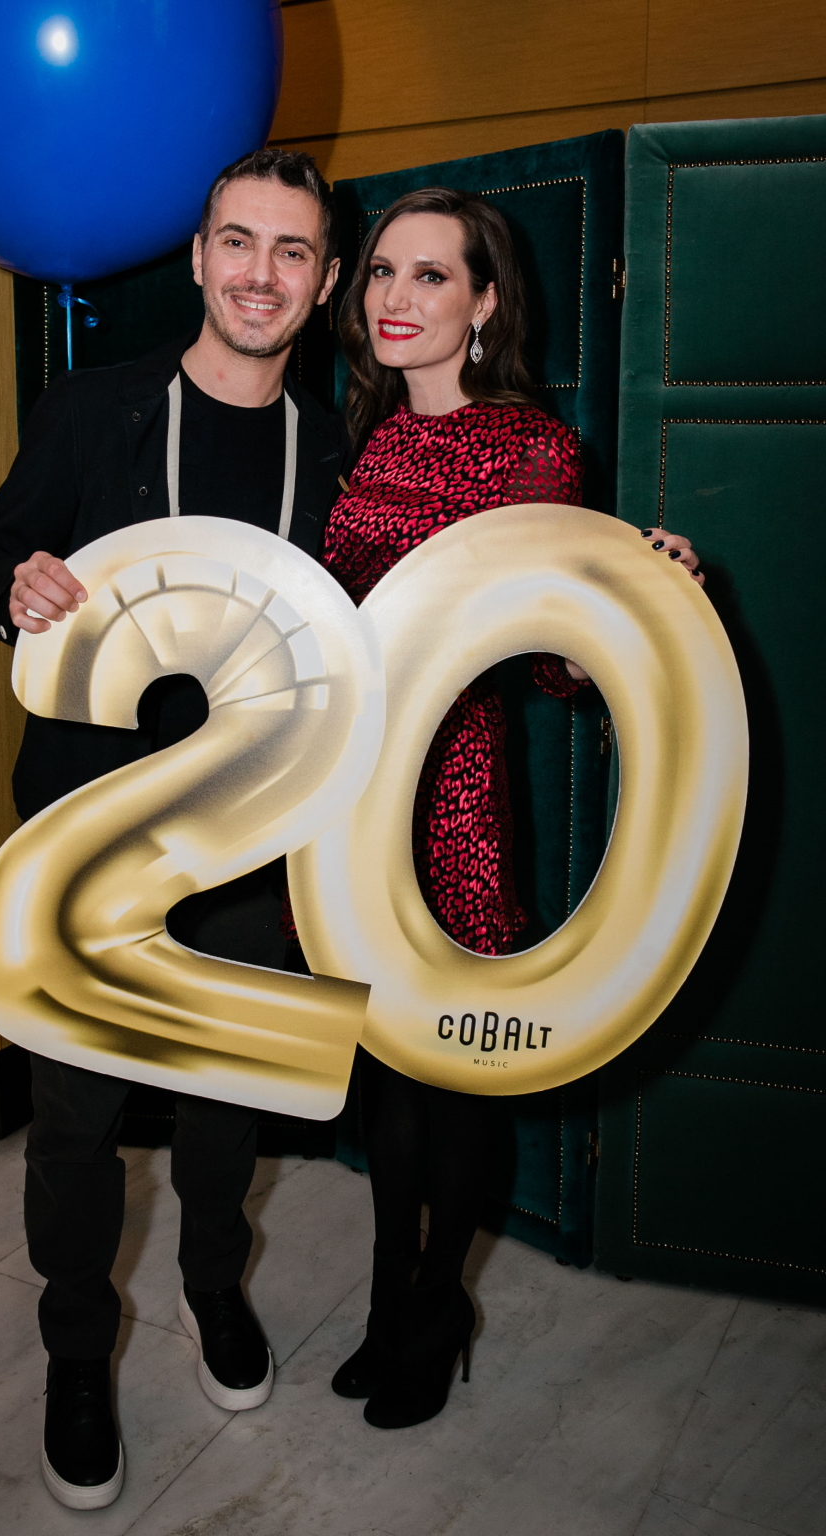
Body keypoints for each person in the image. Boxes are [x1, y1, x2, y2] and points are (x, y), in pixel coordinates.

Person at [0, 149, 342, 1510]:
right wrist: (17, 584)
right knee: (75, 1117)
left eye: (291, 251)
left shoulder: (332, 446)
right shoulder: (94, 409)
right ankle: (77, 1352)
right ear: (196, 257)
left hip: (248, 836)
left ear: (325, 283)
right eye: (238, 241)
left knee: (229, 1094)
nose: (259, 274)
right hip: (88, 837)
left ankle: (211, 1287)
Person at [316, 187, 702, 1431]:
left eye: (431, 276)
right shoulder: (368, 437)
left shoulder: (531, 451)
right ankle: (389, 1303)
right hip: (347, 792)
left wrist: (640, 606)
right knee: (384, 1068)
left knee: (454, 1067)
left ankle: (436, 1308)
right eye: (382, 271)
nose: (395, 298)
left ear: (484, 302)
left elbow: (557, 661)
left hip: (454, 793)